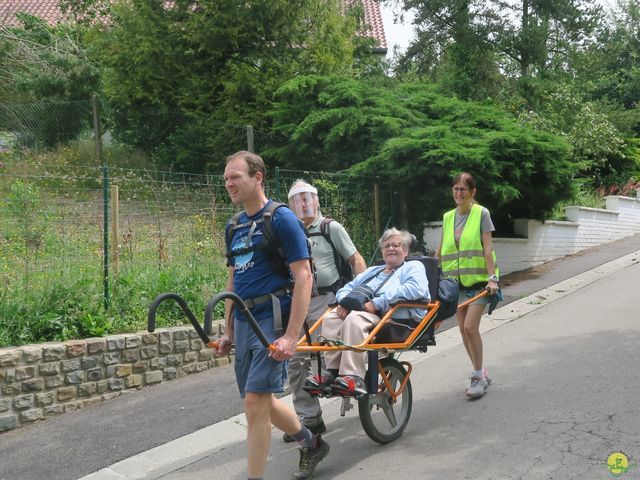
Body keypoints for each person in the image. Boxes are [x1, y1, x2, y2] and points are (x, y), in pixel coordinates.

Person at [215, 151, 329, 480]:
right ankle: (311, 442)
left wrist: (291, 336)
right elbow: (233, 281)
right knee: (259, 399)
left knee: (254, 402)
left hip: (272, 316)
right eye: (226, 178)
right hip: (245, 320)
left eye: (235, 176)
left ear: (257, 177)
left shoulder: (281, 218)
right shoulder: (234, 225)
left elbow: (304, 276)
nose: (229, 183)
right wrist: (228, 331)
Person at [284, 179, 366, 441]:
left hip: (327, 299)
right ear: (290, 204)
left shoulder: (331, 228)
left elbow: (356, 260)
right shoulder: (288, 230)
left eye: (308, 197)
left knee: (323, 354)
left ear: (317, 200)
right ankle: (309, 418)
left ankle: (345, 383)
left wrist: (358, 297)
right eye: (298, 199)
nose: (304, 203)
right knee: (296, 360)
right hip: (298, 301)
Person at [307, 228, 430, 396]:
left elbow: (415, 290)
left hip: (392, 315)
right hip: (366, 312)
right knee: (331, 318)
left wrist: (378, 302)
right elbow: (348, 288)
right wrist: (345, 302)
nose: (391, 249)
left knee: (354, 320)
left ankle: (353, 376)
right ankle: (332, 372)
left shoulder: (413, 267)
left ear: (405, 250)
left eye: (396, 245)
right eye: (386, 246)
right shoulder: (373, 271)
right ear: (382, 251)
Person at [435, 172, 500, 399]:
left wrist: (493, 278)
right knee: (462, 330)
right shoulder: (447, 217)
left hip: (480, 282)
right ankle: (480, 372)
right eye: (455, 189)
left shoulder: (482, 213)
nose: (458, 193)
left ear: (473, 192)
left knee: (471, 327)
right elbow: (441, 249)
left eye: (463, 189)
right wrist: (433, 275)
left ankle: (476, 376)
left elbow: (487, 247)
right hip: (455, 284)